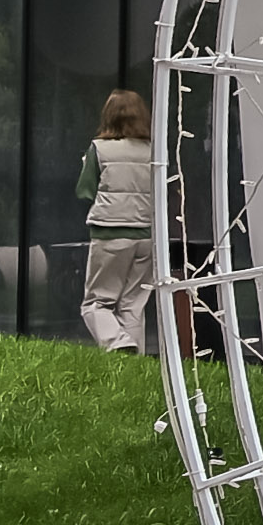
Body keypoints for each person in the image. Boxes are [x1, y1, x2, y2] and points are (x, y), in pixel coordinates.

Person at [79, 88, 158, 354]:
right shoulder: (153, 151)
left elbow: (84, 191)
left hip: (110, 233)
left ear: (108, 116)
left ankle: (117, 342)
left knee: (96, 302)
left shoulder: (99, 149)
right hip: (146, 235)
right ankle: (134, 361)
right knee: (133, 304)